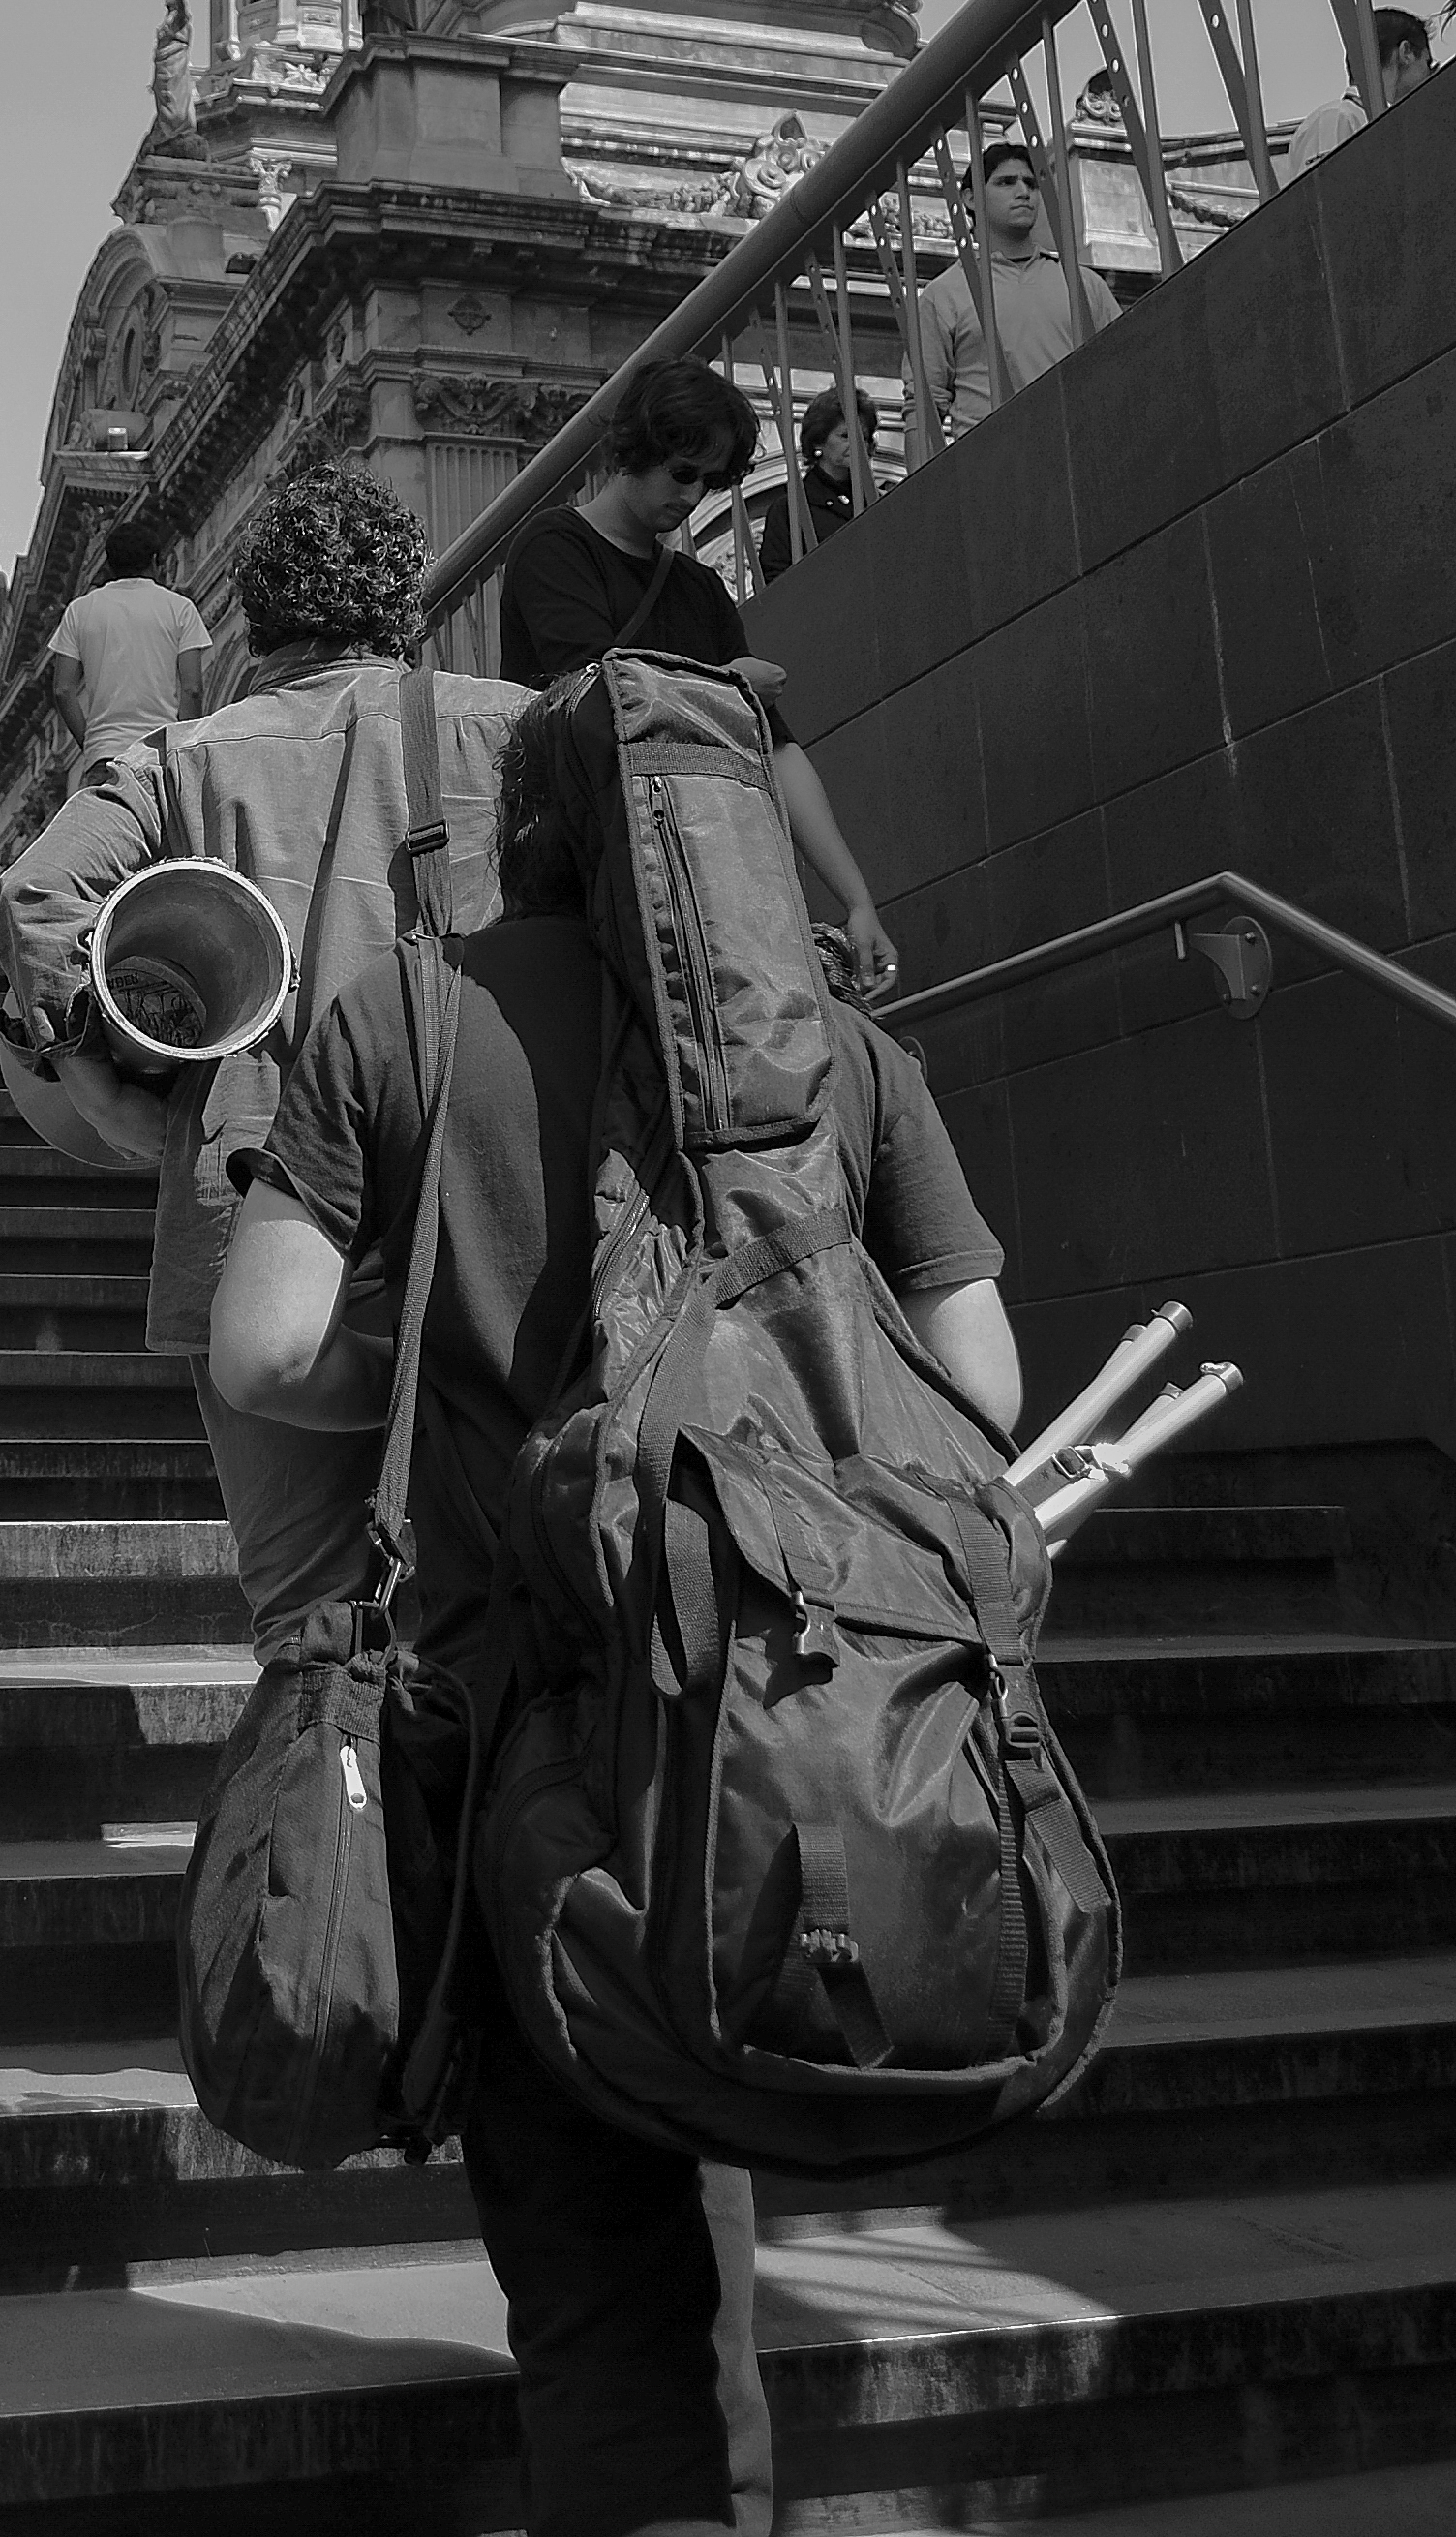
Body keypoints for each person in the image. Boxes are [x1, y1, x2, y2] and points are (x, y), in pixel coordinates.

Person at [209, 701, 1019, 2537]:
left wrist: (456, 1380)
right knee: (704, 2226)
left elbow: (258, 1350)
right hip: (792, 1719)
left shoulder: (406, 1015)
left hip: (523, 1736)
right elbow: (980, 1386)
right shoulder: (843, 1052)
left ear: (528, 831)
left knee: (602, 2298)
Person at [0, 466, 528, 1647]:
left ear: (255, 619)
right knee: (510, 1574)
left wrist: (93, 1082)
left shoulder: (179, 759)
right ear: (405, 604)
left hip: (258, 1202)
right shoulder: (517, 727)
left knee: (307, 1602)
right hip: (480, 1192)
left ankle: (327, 1759)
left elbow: (38, 896)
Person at [496, 360, 898, 997]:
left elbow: (777, 749)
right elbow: (592, 698)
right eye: (683, 472)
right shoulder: (554, 546)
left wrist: (857, 901)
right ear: (634, 448)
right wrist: (725, 686)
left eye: (708, 481)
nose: (690, 496)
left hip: (691, 877)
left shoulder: (699, 588)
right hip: (576, 874)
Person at [917, 140, 1120, 436]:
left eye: (1031, 184)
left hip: (1078, 446)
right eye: (1006, 182)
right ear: (971, 199)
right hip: (993, 454)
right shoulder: (943, 294)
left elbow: (1123, 368)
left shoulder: (1086, 285)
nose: (1023, 192)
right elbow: (924, 405)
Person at [46, 517, 210, 790]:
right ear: (155, 561)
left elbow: (63, 689)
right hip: (160, 754)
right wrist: (185, 749)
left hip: (105, 758)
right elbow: (192, 689)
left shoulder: (79, 611)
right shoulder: (180, 608)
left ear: (110, 565)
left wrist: (92, 743)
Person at [1279, 3, 1437, 186]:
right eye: (1427, 63)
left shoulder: (1364, 121)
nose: (1429, 75)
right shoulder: (1337, 118)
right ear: (1406, 52)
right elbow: (1326, 196)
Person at [753, 383, 879, 584]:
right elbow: (773, 581)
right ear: (818, 441)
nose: (857, 444)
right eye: (845, 435)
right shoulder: (791, 509)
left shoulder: (877, 502)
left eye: (863, 436)